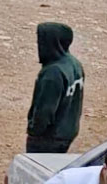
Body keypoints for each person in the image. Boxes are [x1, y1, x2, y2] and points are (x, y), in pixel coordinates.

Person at [26, 22, 84, 154]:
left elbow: (44, 112)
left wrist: (34, 131)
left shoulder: (52, 74)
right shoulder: (74, 64)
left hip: (49, 137)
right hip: (68, 130)